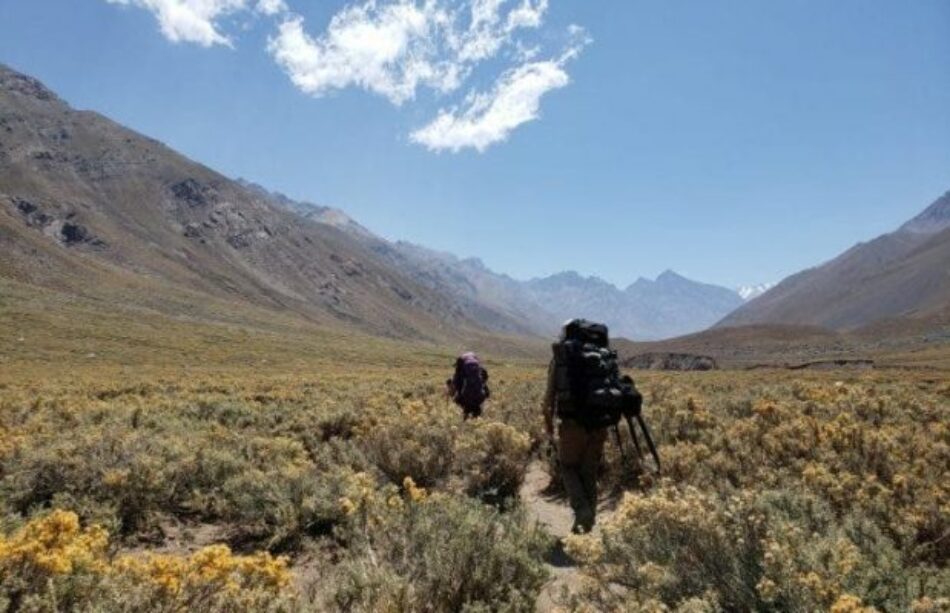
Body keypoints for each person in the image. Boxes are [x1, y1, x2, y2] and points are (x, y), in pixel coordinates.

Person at [542, 319, 613, 534]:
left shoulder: (562, 359)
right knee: (589, 471)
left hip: (572, 425)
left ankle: (582, 511)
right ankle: (586, 521)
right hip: (599, 423)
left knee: (568, 467)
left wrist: (549, 427)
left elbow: (548, 399)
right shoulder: (600, 355)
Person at [451, 351, 490, 419]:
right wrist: (485, 389)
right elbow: (485, 377)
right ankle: (476, 420)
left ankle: (467, 420)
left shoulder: (461, 363)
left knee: (465, 405)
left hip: (467, 396)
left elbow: (457, 381)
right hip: (479, 395)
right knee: (475, 409)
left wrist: (457, 393)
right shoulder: (477, 365)